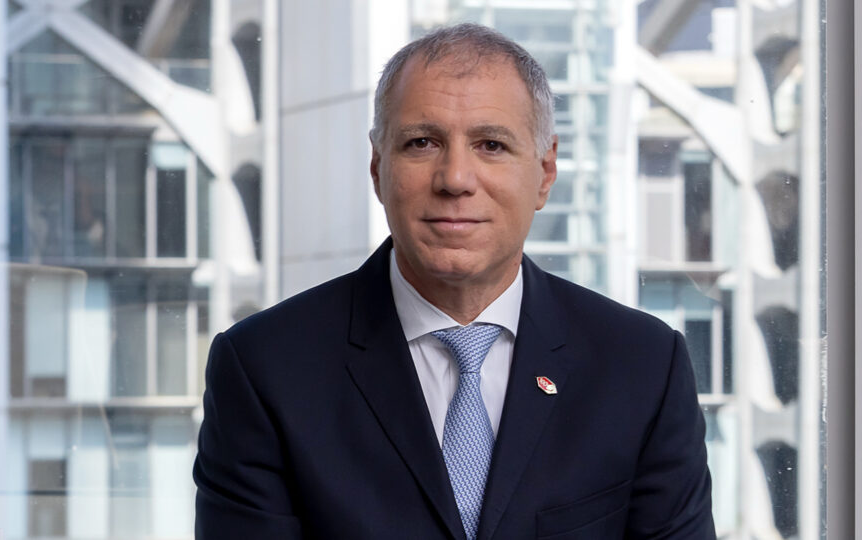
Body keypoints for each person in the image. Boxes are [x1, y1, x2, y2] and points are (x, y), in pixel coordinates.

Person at [194, 23, 714, 539]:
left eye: (491, 145)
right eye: (422, 143)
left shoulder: (644, 366)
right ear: (377, 168)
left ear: (545, 172)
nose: (455, 179)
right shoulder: (265, 369)